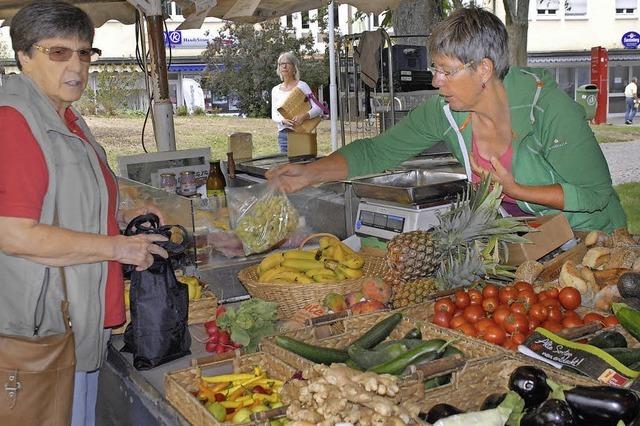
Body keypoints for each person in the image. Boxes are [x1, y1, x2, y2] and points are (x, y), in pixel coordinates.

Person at [268, 7, 626, 234]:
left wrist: (517, 191)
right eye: (434, 69)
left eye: (446, 71)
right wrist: (312, 172)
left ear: (484, 69)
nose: (436, 81)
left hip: (591, 240)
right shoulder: (446, 111)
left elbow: (594, 196)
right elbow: (378, 152)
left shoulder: (547, 109)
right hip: (532, 241)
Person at [0, 2, 168, 425]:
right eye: (58, 52)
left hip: (75, 321)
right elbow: (14, 234)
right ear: (24, 56)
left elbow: (62, 203)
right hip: (43, 332)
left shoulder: (65, 118)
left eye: (84, 52)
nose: (76, 64)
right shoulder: (15, 123)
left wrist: (121, 213)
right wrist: (118, 247)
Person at [271, 51, 323, 153]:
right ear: (279, 68)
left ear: (294, 68)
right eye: (281, 64)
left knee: (302, 166)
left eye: (288, 63)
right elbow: (274, 114)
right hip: (283, 135)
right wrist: (283, 120)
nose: (284, 66)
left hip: (301, 133)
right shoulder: (275, 90)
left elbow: (318, 108)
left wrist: (303, 116)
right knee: (286, 167)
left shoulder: (302, 86)